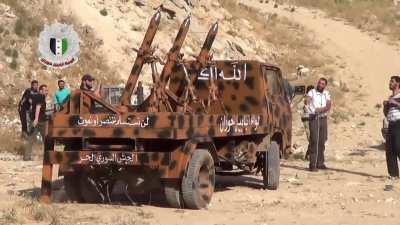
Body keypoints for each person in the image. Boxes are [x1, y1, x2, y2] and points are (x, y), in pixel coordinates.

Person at [306, 78, 332, 171]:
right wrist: (313, 109)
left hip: (323, 119)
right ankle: (312, 164)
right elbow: (307, 102)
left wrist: (320, 109)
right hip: (314, 118)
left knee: (322, 140)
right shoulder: (312, 92)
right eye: (319, 83)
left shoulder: (326, 93)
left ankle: (320, 163)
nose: (320, 85)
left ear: (325, 85)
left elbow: (328, 106)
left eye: (323, 84)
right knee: (314, 141)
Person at [24, 84, 48, 161]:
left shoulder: (35, 96)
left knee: (31, 139)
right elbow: (38, 107)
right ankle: (48, 157)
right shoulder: (41, 97)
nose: (46, 92)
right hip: (40, 121)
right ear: (40, 91)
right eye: (45, 90)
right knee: (47, 139)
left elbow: (33, 108)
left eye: (47, 90)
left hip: (33, 120)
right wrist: (36, 119)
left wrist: (33, 118)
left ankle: (26, 157)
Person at [383, 75, 400, 179]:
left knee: (398, 147)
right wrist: (385, 106)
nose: (390, 83)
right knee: (389, 149)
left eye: (392, 81)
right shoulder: (390, 98)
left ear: (398, 84)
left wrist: (395, 103)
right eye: (390, 81)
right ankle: (393, 174)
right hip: (391, 124)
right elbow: (386, 114)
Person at [302, 85, 314, 160]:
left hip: (312, 120)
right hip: (307, 120)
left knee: (313, 138)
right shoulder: (305, 99)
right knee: (311, 138)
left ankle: (308, 155)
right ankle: (309, 155)